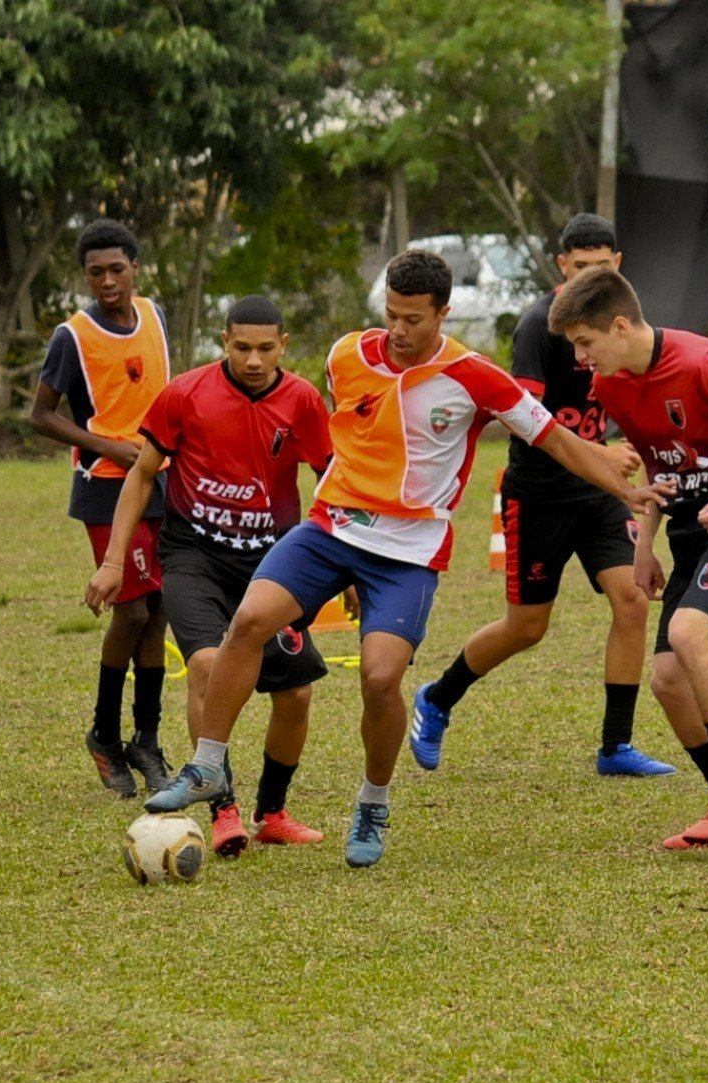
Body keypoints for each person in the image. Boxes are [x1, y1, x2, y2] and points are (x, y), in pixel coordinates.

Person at [146, 250, 666, 868]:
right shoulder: (346, 355)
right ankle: (207, 766)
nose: (398, 330)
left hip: (409, 550)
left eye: (414, 319)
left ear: (444, 313)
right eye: (390, 314)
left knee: (380, 678)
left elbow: (553, 438)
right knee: (250, 622)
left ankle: (373, 801)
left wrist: (624, 488)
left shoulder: (477, 377)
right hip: (332, 527)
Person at [409, 213, 675, 778]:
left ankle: (616, 746)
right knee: (527, 627)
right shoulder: (539, 324)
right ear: (562, 267)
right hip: (539, 495)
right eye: (580, 268)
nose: (590, 279)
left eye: (601, 268)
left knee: (631, 600)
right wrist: (597, 450)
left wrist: (626, 447)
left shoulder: (624, 322)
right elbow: (522, 418)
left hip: (600, 494)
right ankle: (437, 698)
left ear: (617, 266)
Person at [551, 268, 708, 849]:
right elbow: (659, 463)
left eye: (586, 343)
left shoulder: (700, 363)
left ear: (619, 325)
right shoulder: (613, 384)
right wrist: (643, 545)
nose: (582, 358)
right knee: (667, 679)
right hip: (696, 532)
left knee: (690, 635)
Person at [88, 296, 332, 857]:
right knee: (206, 664)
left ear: (283, 345)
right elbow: (143, 474)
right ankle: (221, 806)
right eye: (242, 347)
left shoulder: (302, 401)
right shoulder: (185, 394)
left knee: (295, 694)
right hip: (192, 556)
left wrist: (348, 569)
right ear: (224, 341)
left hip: (272, 564)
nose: (252, 359)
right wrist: (112, 562)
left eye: (265, 349)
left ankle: (272, 812)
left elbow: (333, 482)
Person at [28, 218, 175, 797]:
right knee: (132, 613)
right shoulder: (72, 336)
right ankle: (104, 734)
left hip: (163, 478)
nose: (107, 281)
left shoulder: (156, 317)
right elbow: (40, 416)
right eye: (96, 273)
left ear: (135, 267)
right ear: (84, 276)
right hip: (107, 484)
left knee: (160, 609)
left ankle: (147, 739)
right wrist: (109, 444)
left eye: (117, 269)